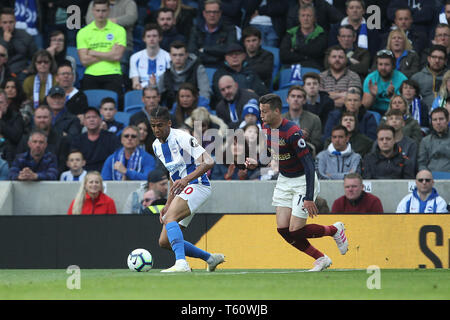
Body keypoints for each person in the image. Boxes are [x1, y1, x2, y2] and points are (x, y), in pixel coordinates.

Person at [245, 93, 349, 272]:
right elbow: (272, 153)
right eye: (260, 111)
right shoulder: (267, 127)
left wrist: (309, 197)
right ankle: (321, 258)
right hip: (285, 180)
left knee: (295, 230)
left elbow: (309, 165)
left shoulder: (292, 132)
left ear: (277, 111)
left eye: (264, 112)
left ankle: (334, 230)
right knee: (283, 229)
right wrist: (257, 162)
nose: (261, 115)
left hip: (303, 180)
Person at [149, 106, 225, 273]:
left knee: (171, 219)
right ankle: (210, 259)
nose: (156, 129)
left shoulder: (182, 138)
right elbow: (173, 175)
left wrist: (186, 179)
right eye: (153, 125)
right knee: (164, 241)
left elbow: (208, 161)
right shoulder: (156, 146)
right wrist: (168, 203)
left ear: (169, 123)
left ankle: (181, 263)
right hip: (183, 189)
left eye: (160, 125)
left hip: (198, 185)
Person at [77, 0, 126, 103]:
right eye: (98, 10)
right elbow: (84, 61)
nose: (100, 14)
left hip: (113, 73)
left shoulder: (119, 30)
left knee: (112, 108)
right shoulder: (83, 32)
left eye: (104, 10)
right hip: (91, 74)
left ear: (109, 11)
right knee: (89, 109)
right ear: (93, 11)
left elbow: (117, 57)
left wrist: (93, 52)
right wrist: (109, 54)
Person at [14, 104, 71, 175]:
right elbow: (17, 163)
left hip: (54, 181)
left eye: (45, 117)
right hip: (27, 182)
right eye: (39, 117)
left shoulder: (61, 139)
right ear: (34, 118)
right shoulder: (25, 139)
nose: (42, 120)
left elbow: (62, 166)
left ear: (51, 118)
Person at [157, 40, 211, 110]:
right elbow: (156, 94)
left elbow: (205, 92)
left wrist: (199, 110)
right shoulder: (166, 73)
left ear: (186, 55)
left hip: (195, 110)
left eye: (181, 55)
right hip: (174, 113)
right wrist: (152, 85)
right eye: (174, 55)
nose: (177, 58)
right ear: (170, 56)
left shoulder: (198, 69)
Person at [187, 0, 237, 68]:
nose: (212, 15)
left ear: (220, 13)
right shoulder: (196, 29)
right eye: (209, 12)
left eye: (215, 12)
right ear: (204, 14)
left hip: (222, 68)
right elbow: (192, 52)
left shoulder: (230, 29)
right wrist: (216, 56)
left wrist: (204, 49)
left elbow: (230, 50)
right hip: (199, 67)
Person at [71, 107, 121, 172]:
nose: (91, 120)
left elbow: (116, 158)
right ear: (84, 122)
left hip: (106, 173)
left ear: (100, 120)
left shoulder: (111, 137)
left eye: (94, 117)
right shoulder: (77, 140)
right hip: (83, 175)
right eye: (88, 117)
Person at [280, 4, 328, 71]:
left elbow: (316, 51)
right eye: (303, 15)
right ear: (299, 18)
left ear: (314, 18)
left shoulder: (321, 33)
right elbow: (283, 55)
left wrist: (295, 48)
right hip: (292, 68)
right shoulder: (291, 33)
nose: (306, 19)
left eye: (309, 15)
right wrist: (305, 57)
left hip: (314, 68)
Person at [362, 49, 408, 116]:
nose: (383, 68)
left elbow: (404, 107)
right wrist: (373, 96)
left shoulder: (402, 79)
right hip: (375, 111)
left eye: (387, 64)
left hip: (395, 113)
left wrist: (392, 96)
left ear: (393, 66)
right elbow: (364, 107)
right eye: (380, 64)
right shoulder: (371, 78)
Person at [282, 85, 323, 155]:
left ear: (304, 101)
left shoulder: (314, 119)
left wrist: (306, 138)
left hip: (306, 156)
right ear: (287, 100)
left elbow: (318, 145)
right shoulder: (279, 120)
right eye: (293, 96)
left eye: (299, 97)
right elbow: (273, 144)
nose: (296, 99)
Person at [0, 7, 38, 81]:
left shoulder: (25, 36)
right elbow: (3, 57)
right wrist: (5, 42)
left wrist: (28, 69)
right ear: (0, 23)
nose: (8, 25)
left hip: (20, 72)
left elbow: (35, 56)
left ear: (15, 22)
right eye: (5, 22)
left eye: (11, 22)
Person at [129, 23, 171, 90]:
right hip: (142, 93)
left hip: (162, 92)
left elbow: (169, 83)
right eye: (148, 36)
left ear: (160, 38)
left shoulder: (168, 57)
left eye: (154, 36)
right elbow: (135, 83)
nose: (151, 39)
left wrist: (154, 86)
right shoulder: (135, 58)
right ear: (144, 39)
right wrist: (137, 86)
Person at [411, 45, 449, 109]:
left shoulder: (448, 78)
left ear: (445, 61)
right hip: (422, 114)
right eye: (434, 57)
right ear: (428, 58)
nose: (437, 60)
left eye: (441, 58)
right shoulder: (416, 78)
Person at [418, 107, 450, 173]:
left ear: (447, 120)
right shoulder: (425, 141)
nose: (438, 122)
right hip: (430, 179)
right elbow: (421, 164)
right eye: (435, 120)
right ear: (431, 122)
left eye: (441, 119)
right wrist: (426, 177)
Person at [0, 88, 25, 165]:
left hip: (9, 157)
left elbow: (16, 137)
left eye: (0, 102)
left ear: (7, 104)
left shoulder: (16, 117)